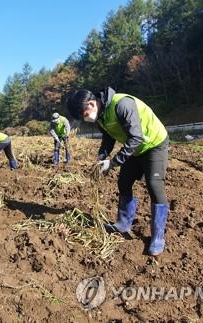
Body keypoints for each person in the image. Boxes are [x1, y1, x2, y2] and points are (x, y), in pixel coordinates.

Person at [67, 87, 169, 256]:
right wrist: (102, 156)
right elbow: (108, 138)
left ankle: (158, 236)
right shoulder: (101, 116)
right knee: (124, 181)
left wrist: (113, 163)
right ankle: (123, 223)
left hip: (154, 144)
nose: (86, 119)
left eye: (84, 115)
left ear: (92, 104)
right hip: (135, 148)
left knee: (154, 185)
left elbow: (136, 137)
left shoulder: (122, 105)